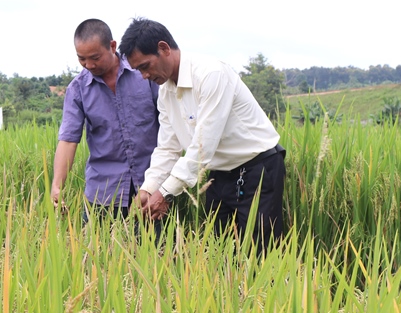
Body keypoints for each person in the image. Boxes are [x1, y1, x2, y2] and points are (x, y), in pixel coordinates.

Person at [118, 17, 286, 250]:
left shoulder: (211, 74)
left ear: (164, 48)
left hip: (258, 169)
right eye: (138, 70)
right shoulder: (165, 93)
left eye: (145, 66)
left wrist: (165, 193)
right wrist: (149, 188)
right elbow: (168, 147)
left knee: (260, 252)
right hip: (218, 175)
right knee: (219, 250)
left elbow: (203, 145)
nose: (144, 76)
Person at [52, 19, 161, 234]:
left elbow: (168, 123)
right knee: (96, 252)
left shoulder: (144, 74)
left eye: (95, 58)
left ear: (112, 46)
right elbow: (68, 139)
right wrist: (57, 185)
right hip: (103, 193)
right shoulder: (78, 89)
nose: (89, 65)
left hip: (151, 188)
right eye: (81, 59)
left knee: (157, 251)